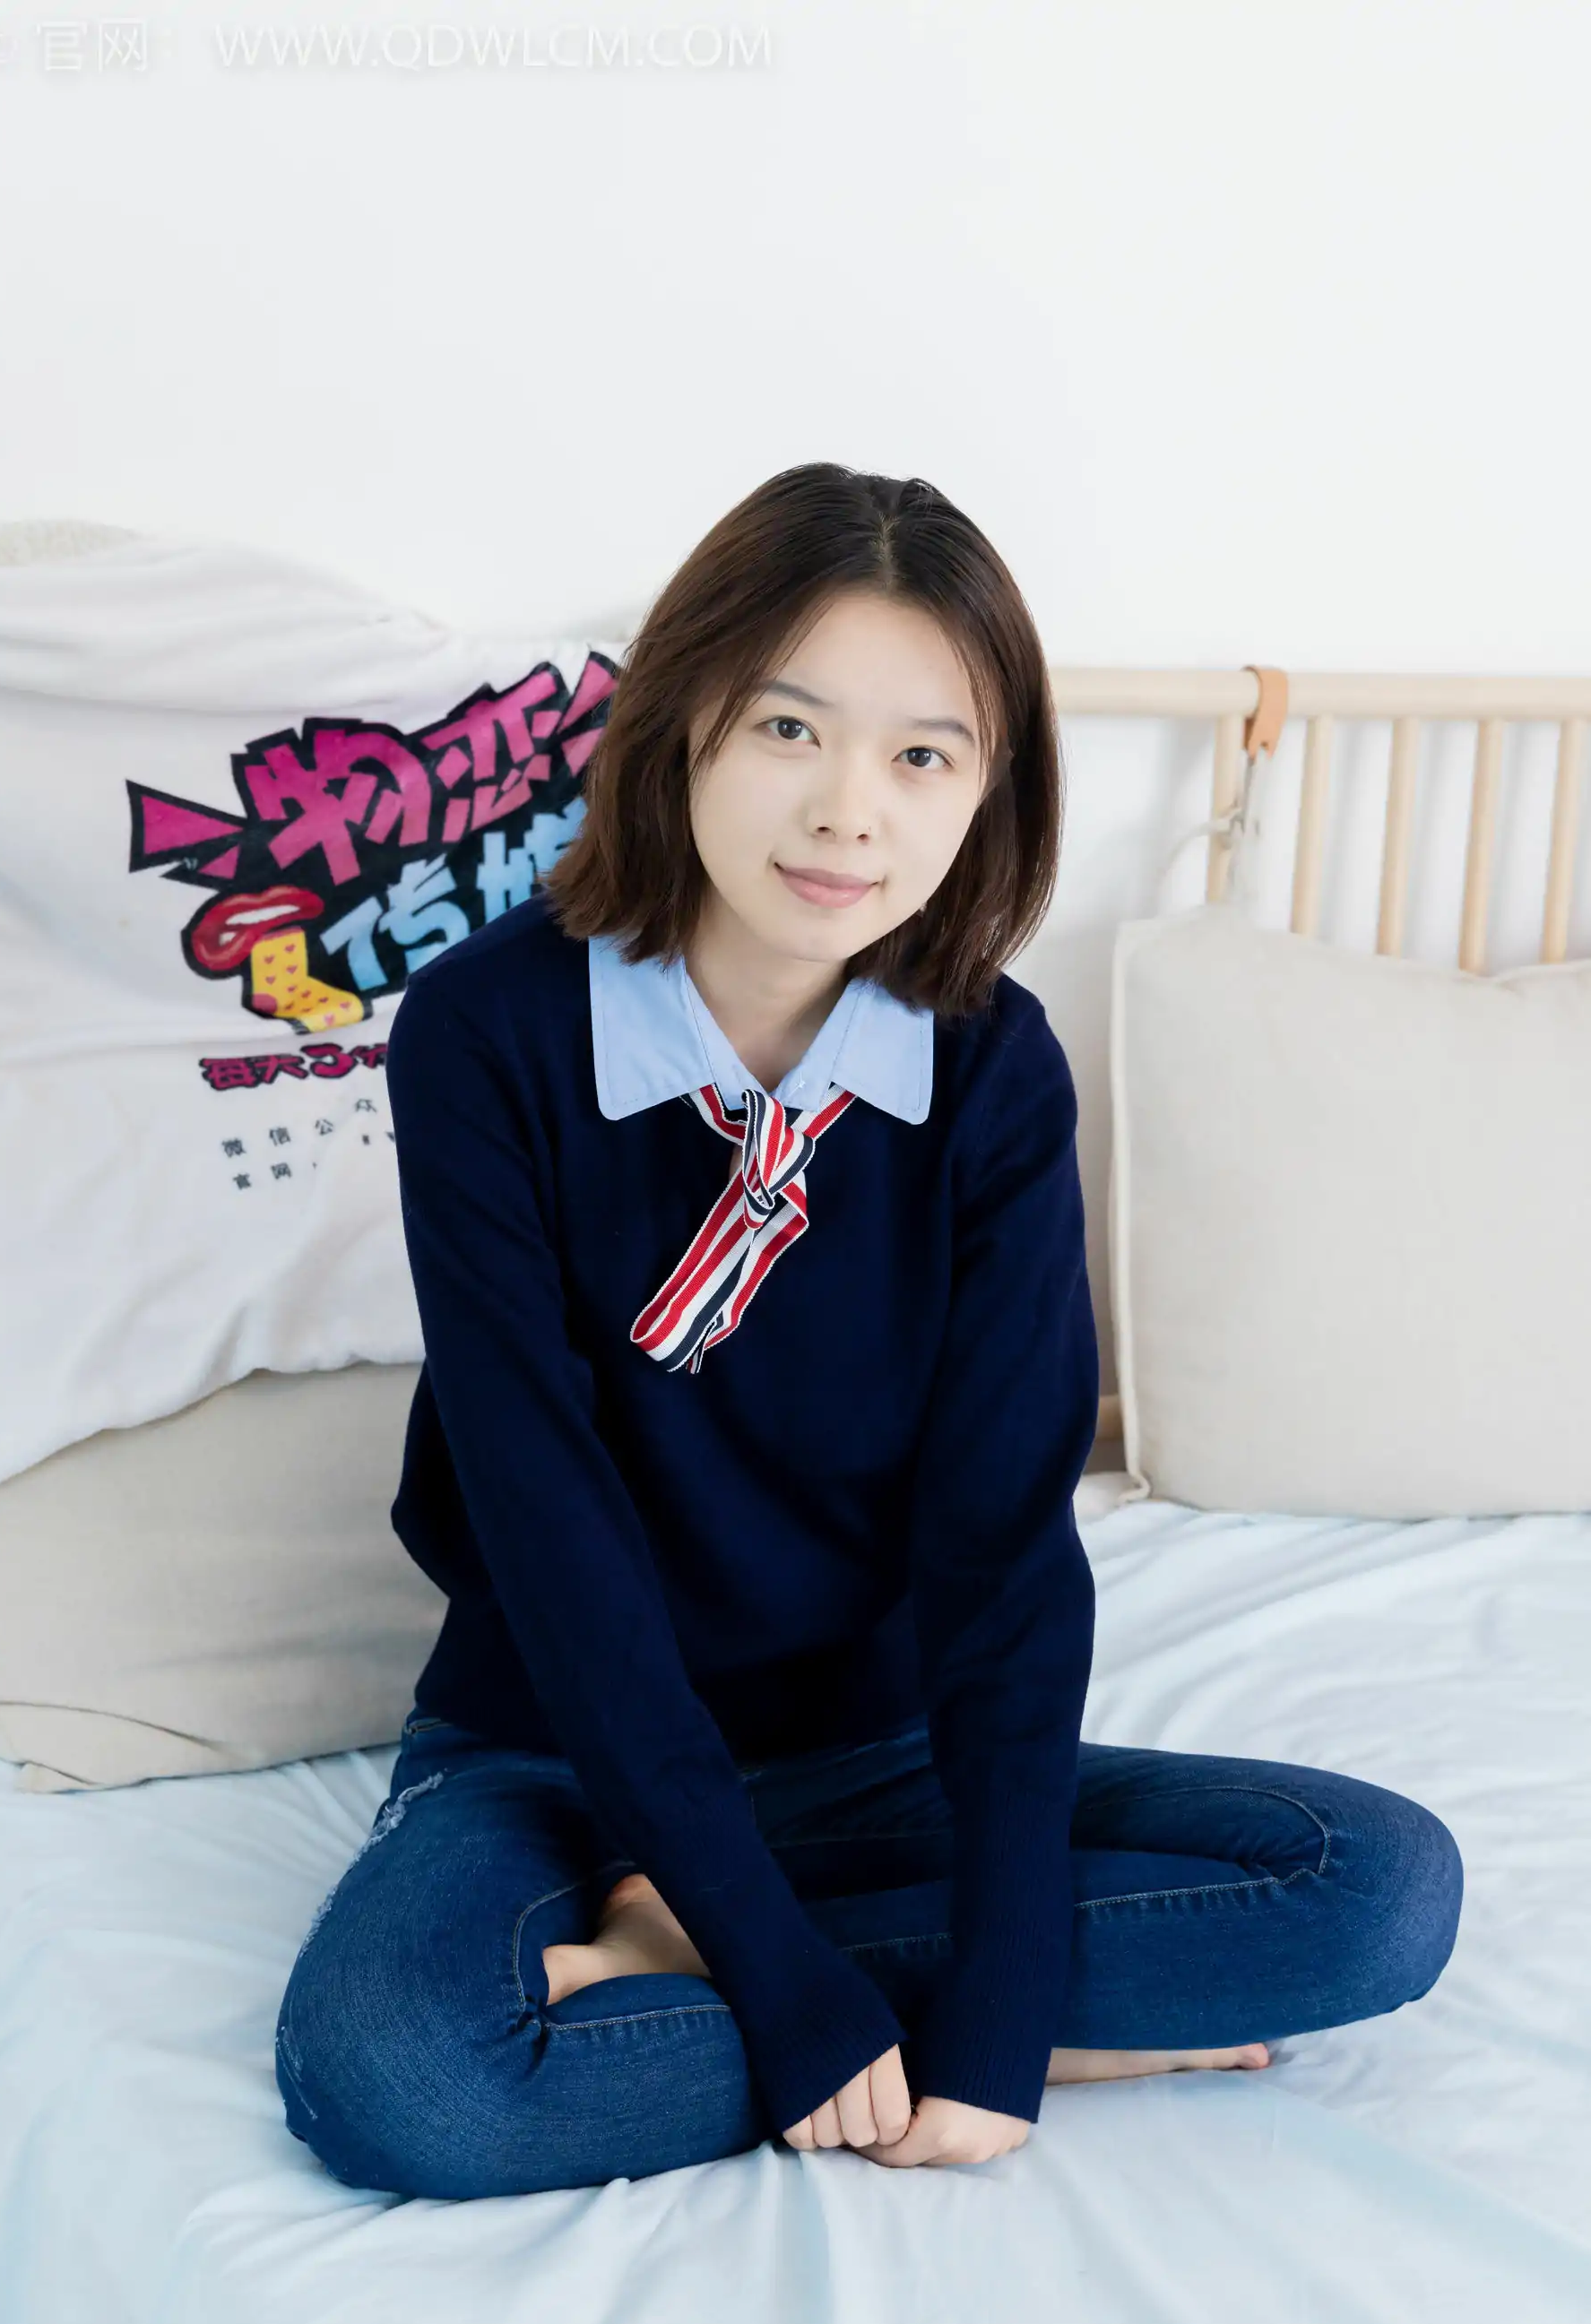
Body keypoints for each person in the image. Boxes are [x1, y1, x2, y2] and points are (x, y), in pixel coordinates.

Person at [272, 463, 1464, 2198]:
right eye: (789, 729)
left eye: (924, 756)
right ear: (684, 724)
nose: (849, 814)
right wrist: (785, 1975)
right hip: (555, 1739)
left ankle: (701, 1958)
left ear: (990, 793)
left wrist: (1000, 2007)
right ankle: (764, 1940)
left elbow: (1004, 1552)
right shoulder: (488, 1031)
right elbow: (549, 1520)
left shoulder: (992, 1069)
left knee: (1378, 1888)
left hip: (872, 1754)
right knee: (403, 2077)